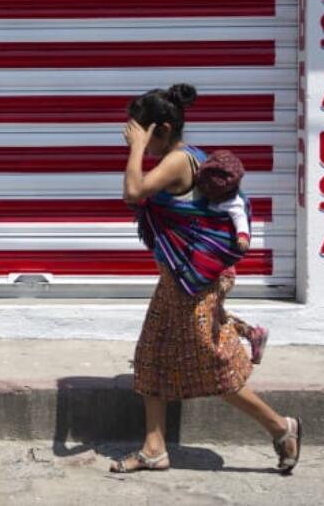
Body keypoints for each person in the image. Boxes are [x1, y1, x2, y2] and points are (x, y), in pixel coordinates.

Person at [110, 83, 301, 475]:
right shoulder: (185, 156)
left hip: (194, 287)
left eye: (144, 135)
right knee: (151, 359)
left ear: (160, 130)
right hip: (177, 283)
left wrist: (134, 149)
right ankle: (154, 447)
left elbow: (133, 191)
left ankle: (281, 428)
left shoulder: (179, 160)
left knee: (212, 367)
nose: (142, 146)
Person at [194, 149, 269, 365]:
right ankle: (253, 334)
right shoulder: (207, 195)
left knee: (209, 316)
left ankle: (223, 358)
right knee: (215, 313)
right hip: (211, 269)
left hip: (221, 273)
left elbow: (240, 220)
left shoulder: (234, 202)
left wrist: (243, 237)